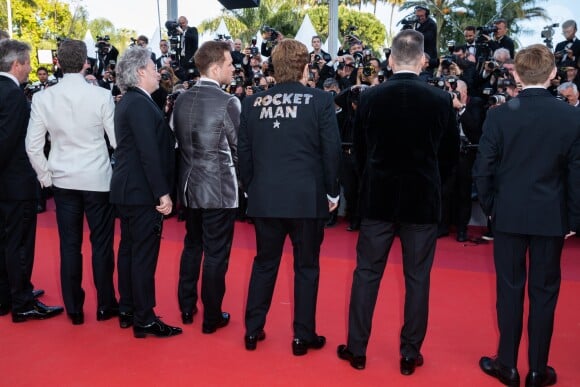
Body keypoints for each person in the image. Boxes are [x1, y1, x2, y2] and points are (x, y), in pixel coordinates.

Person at [336, 29, 458, 372]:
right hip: (422, 202)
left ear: (389, 59)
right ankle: (409, 354)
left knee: (366, 274)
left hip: (378, 201)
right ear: (423, 60)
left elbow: (358, 153)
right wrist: (433, 185)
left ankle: (357, 349)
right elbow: (449, 157)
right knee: (418, 278)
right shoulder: (440, 100)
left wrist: (372, 180)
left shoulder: (370, 97)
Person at [474, 44, 580, 387]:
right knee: (545, 292)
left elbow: (483, 169)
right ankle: (537, 369)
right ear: (553, 75)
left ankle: (507, 364)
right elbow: (577, 175)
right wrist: (572, 219)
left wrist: (492, 208)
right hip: (552, 217)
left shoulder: (500, 115)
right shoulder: (572, 117)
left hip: (508, 215)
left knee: (509, 289)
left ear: (516, 75)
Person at [239, 39, 341, 354]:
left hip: (265, 197)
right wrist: (333, 191)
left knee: (264, 263)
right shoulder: (321, 100)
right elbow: (331, 151)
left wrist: (249, 187)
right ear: (304, 66)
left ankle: (252, 332)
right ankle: (302, 336)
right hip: (306, 199)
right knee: (306, 267)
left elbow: (243, 152)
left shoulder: (252, 103)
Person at [26, 39, 118, 325]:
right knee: (101, 244)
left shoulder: (43, 98)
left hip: (63, 180)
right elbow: (116, 140)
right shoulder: (101, 96)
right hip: (98, 179)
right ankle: (105, 305)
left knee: (69, 245)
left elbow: (33, 145)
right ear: (85, 63)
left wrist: (45, 176)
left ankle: (74, 310)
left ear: (58, 63)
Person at [110, 46, 181, 338]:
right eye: (153, 67)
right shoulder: (139, 103)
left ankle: (128, 307)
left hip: (129, 189)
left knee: (129, 250)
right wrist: (162, 193)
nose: (157, 71)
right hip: (141, 191)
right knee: (142, 255)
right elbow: (148, 152)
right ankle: (144, 318)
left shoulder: (132, 101)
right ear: (140, 72)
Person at [173, 41, 240, 332]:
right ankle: (212, 317)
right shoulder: (228, 102)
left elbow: (177, 143)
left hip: (189, 187)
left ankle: (187, 308)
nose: (233, 67)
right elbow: (238, 148)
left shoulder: (181, 99)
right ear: (215, 68)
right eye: (228, 64)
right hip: (220, 190)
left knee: (192, 246)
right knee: (215, 254)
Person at [0, 39, 64, 322]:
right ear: (17, 64)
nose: (29, 69)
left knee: (6, 242)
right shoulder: (12, 95)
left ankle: (8, 295)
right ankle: (23, 302)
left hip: (7, 184)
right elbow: (9, 140)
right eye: (26, 63)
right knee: (20, 244)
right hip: (15, 183)